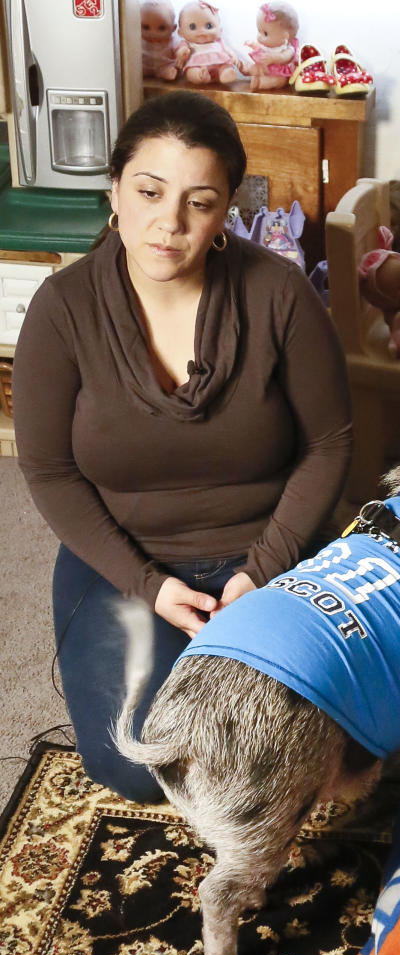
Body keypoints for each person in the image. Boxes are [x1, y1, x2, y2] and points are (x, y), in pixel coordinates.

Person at [14, 90, 352, 802]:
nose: (168, 224)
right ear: (115, 190)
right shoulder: (63, 308)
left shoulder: (278, 294)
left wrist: (262, 569)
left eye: (199, 202)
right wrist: (149, 584)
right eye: (149, 191)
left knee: (300, 747)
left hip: (272, 546)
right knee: (139, 764)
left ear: (225, 208)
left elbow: (329, 442)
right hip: (127, 556)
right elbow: (47, 470)